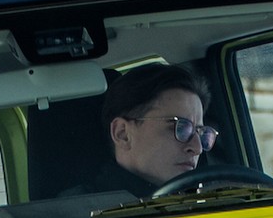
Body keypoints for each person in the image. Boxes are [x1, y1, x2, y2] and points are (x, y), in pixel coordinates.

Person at [85, 64, 219, 196]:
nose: (197, 148)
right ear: (122, 134)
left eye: (201, 132)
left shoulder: (203, 203)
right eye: (180, 128)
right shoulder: (79, 213)